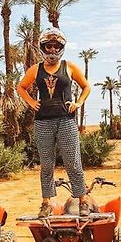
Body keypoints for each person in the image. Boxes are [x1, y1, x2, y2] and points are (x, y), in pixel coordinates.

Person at [17, 27, 91, 217]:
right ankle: (46, 203)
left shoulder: (69, 67)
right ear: (43, 47)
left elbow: (86, 87)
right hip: (43, 122)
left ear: (61, 47)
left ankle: (82, 200)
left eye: (55, 46)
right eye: (48, 46)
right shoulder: (36, 69)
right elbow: (21, 87)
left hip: (66, 120)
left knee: (73, 162)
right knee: (47, 164)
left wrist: (78, 103)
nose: (51, 50)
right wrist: (31, 102)